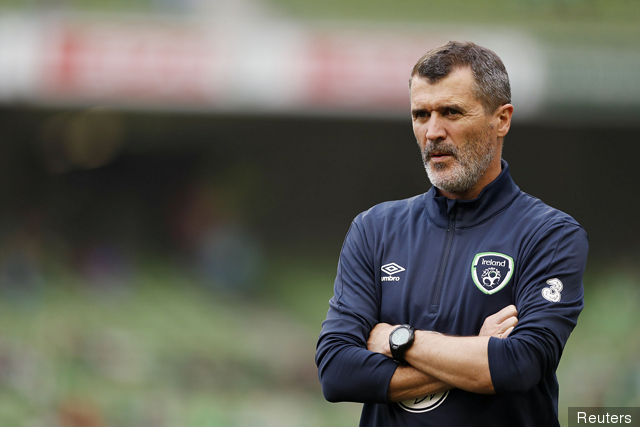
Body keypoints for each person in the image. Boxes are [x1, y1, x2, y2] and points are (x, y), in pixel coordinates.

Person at [315, 41, 588, 426]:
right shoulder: (374, 229)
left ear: (502, 119)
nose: (433, 132)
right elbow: (337, 372)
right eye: (421, 114)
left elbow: (519, 366)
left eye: (451, 113)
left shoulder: (550, 234)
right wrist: (476, 355)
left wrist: (399, 341)